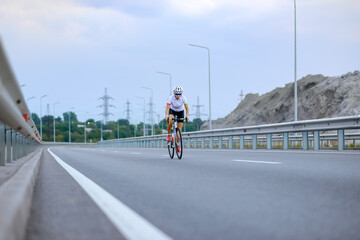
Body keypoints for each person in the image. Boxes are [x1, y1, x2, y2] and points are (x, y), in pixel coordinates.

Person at [165, 85, 189, 152]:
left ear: (181, 94)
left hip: (180, 112)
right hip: (172, 111)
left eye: (179, 94)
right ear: (174, 93)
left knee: (179, 131)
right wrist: (166, 115)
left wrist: (186, 116)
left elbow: (187, 108)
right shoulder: (171, 98)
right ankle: (169, 135)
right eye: (176, 94)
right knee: (170, 121)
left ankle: (178, 145)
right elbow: (167, 108)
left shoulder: (183, 98)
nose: (178, 95)